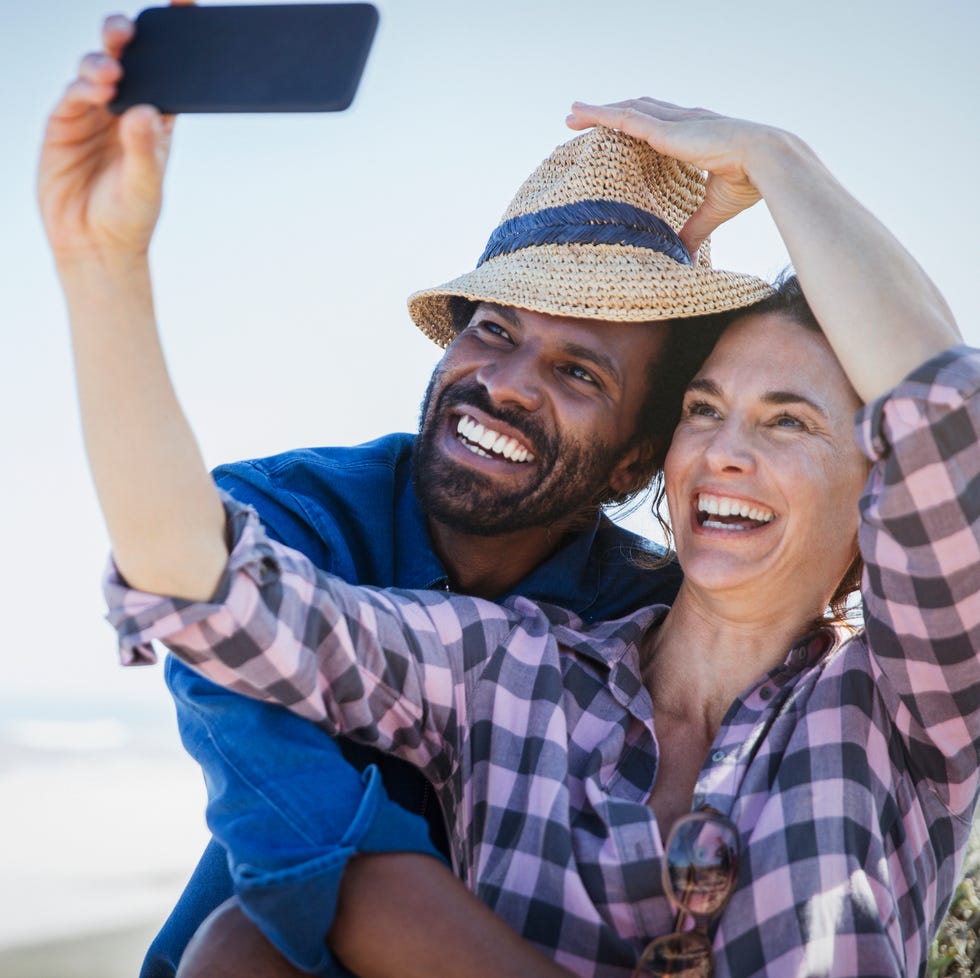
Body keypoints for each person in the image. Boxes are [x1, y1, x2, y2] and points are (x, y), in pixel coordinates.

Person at [97, 93, 977, 978]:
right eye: (705, 410)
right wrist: (104, 263)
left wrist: (780, 159)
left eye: (788, 424)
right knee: (240, 949)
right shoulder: (515, 668)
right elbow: (213, 594)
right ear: (662, 457)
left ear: (883, 497)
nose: (726, 451)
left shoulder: (910, 708)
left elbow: (950, 421)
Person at [37, 15, 774, 978]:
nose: (507, 382)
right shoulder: (276, 520)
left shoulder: (648, 620)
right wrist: (103, 262)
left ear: (635, 464)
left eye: (580, 374)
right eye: (494, 329)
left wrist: (784, 169)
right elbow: (314, 847)